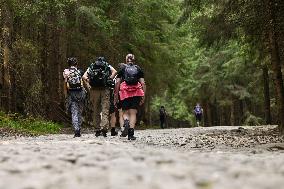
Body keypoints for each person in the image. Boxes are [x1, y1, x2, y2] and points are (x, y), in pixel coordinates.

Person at [114, 54, 146, 140]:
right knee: (133, 113)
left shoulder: (122, 68)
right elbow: (143, 83)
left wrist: (116, 96)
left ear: (126, 60)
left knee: (125, 112)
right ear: (134, 60)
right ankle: (131, 134)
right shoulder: (138, 69)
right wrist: (143, 95)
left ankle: (126, 121)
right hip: (136, 92)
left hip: (125, 92)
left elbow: (117, 83)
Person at [83, 57, 117, 137]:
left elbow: (84, 77)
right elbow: (115, 71)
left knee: (95, 110)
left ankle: (97, 129)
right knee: (105, 109)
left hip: (94, 90)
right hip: (105, 89)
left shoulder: (92, 66)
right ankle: (104, 128)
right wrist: (109, 79)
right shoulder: (106, 65)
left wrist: (89, 83)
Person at [63, 57, 86, 137]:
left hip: (71, 94)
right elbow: (84, 81)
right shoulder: (80, 71)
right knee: (80, 111)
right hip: (81, 93)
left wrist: (66, 95)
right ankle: (79, 127)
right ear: (76, 64)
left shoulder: (66, 72)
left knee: (74, 112)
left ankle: (76, 130)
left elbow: (65, 84)